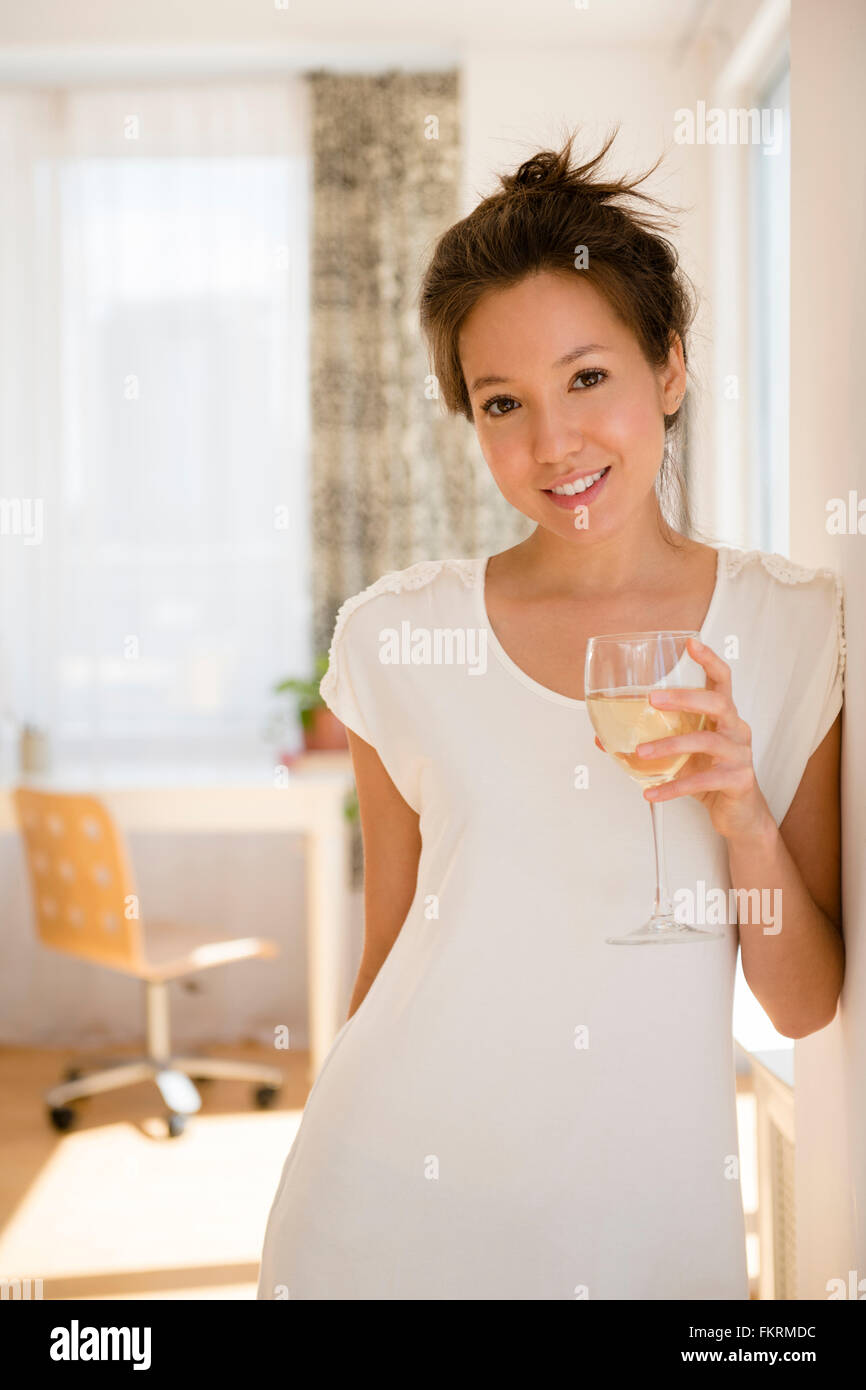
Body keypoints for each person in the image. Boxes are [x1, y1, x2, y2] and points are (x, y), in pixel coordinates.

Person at [257, 129, 845, 1300]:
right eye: (500, 403)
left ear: (667, 368)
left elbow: (803, 997)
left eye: (587, 378)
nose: (551, 443)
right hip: (384, 1203)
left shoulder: (789, 627)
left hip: (644, 1224)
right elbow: (387, 957)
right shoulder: (396, 640)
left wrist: (736, 810)